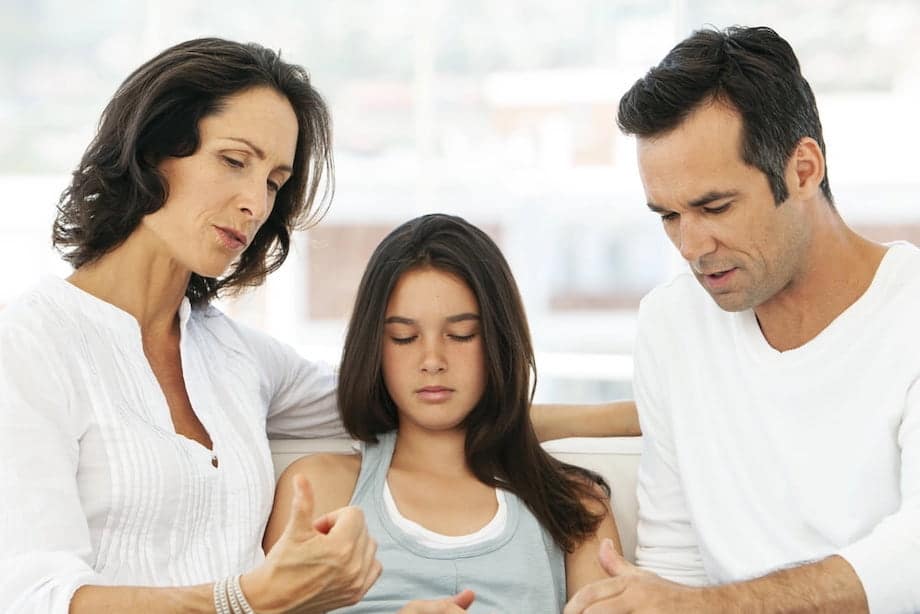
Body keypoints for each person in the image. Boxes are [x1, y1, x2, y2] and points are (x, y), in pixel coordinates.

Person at [0, 37, 637, 614]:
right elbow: (36, 597)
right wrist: (242, 599)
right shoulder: (30, 347)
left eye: (275, 180)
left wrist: (635, 416)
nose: (256, 203)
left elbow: (412, 402)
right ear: (150, 151)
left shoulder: (232, 356)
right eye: (233, 161)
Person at [565, 25, 920, 614]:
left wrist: (710, 606)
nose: (690, 245)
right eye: (668, 216)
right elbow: (674, 563)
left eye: (714, 207)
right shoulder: (671, 325)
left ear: (803, 170)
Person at [264, 214, 622, 613]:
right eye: (404, 337)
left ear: (498, 342)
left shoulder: (575, 506)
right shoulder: (319, 490)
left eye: (461, 335)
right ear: (375, 348)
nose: (432, 360)